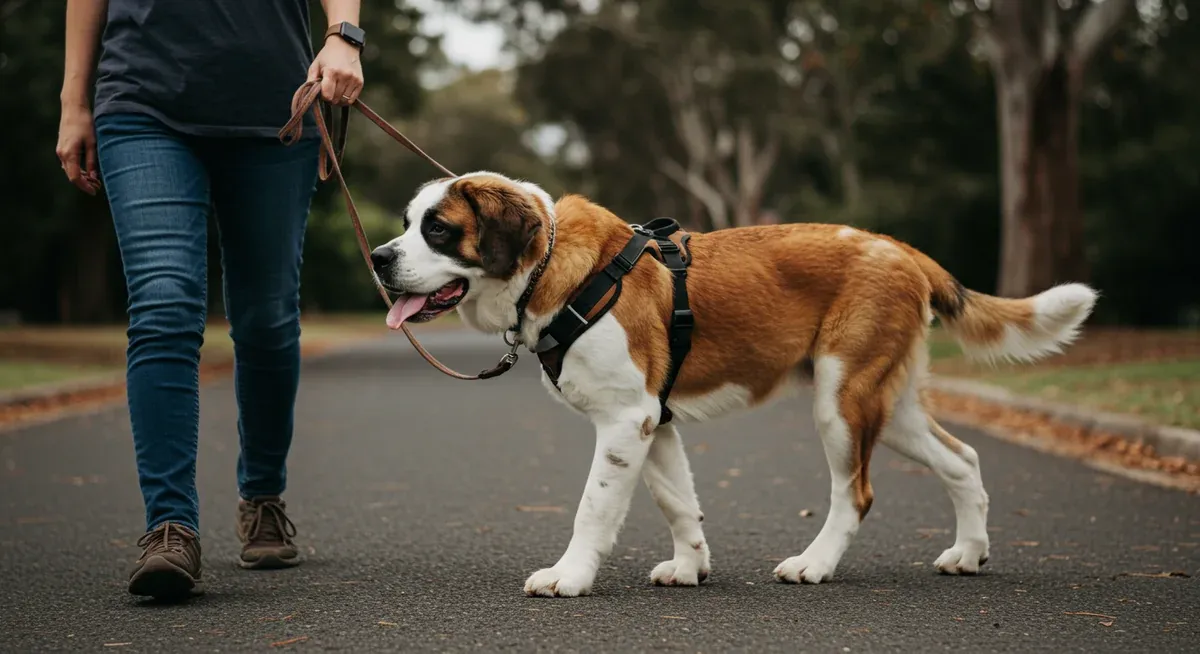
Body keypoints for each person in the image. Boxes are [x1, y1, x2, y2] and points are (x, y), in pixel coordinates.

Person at [55, 0, 365, 600]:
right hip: (143, 105)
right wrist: (74, 103)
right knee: (164, 308)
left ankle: (263, 497)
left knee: (267, 319)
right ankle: (170, 526)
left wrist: (344, 36)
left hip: (278, 109)